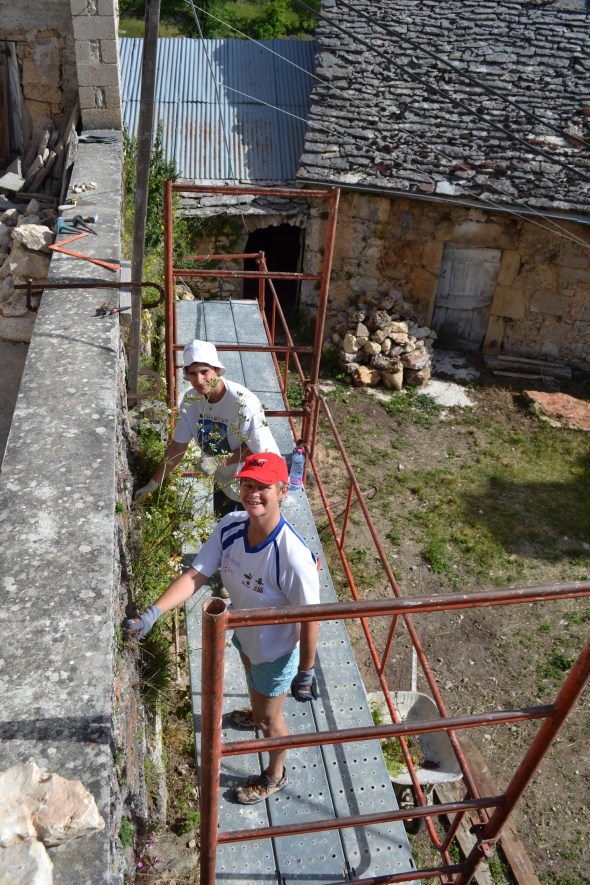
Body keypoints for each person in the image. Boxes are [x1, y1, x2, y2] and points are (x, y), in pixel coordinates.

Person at [126, 452, 320, 804]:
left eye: (263, 487)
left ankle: (275, 774)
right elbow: (195, 575)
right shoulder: (231, 525)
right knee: (254, 688)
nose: (253, 493)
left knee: (270, 722)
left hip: (275, 652)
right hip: (245, 634)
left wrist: (305, 671)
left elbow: (311, 617)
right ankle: (257, 710)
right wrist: (153, 613)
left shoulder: (292, 556)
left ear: (282, 491)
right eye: (247, 485)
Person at [134, 339, 281, 516]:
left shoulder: (243, 403)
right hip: (225, 481)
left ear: (217, 370)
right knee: (224, 525)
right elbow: (177, 446)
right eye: (192, 373)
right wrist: (152, 484)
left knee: (252, 530)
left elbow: (261, 451)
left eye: (204, 371)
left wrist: (220, 461)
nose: (199, 380)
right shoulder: (192, 400)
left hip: (256, 484)